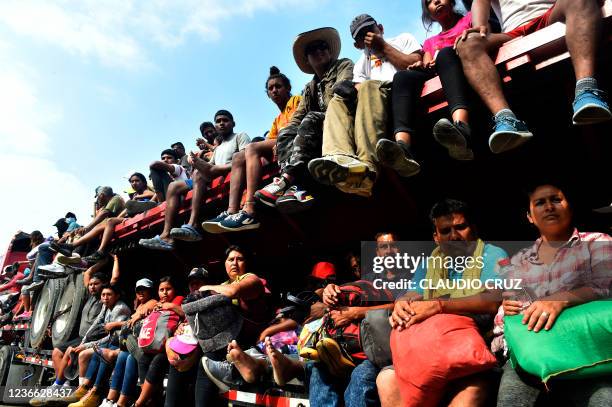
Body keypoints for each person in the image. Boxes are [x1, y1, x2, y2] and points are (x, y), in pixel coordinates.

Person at [379, 199, 508, 406]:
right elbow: (413, 293)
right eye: (446, 231)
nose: (454, 236)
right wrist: (401, 303)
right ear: (436, 237)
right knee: (386, 379)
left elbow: (493, 301)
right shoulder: (429, 263)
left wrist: (439, 305)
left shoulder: (493, 254)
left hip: (474, 350)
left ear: (473, 229)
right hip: (428, 349)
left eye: (461, 227)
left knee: (473, 389)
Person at [496, 183, 612, 406]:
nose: (549, 207)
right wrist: (506, 309)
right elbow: (503, 318)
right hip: (532, 350)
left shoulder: (597, 242)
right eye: (540, 203)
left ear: (569, 206)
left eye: (556, 200)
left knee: (605, 399)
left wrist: (561, 299)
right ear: (530, 217)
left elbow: (606, 286)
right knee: (511, 400)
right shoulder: (518, 261)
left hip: (585, 349)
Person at [455, 0, 611, 153]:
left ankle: (587, 90)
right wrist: (479, 24)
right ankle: (505, 118)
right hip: (511, 32)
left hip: (549, 16)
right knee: (467, 43)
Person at [308, 15, 422, 197]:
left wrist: (383, 47)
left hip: (398, 91)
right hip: (371, 99)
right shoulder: (361, 64)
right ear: (357, 45)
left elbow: (413, 64)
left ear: (381, 28)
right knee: (337, 101)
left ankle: (368, 167)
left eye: (370, 30)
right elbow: (358, 89)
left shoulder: (402, 39)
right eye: (361, 36)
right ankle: (338, 158)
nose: (368, 36)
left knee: (368, 87)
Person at [254, 27, 354, 211]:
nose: (318, 51)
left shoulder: (343, 65)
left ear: (330, 51)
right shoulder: (309, 87)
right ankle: (292, 187)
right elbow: (296, 117)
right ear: (307, 59)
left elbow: (343, 91)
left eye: (322, 47)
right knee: (286, 131)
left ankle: (289, 180)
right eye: (312, 50)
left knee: (311, 118)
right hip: (319, 128)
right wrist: (282, 138)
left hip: (342, 120)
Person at [202, 67, 301, 232]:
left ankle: (250, 208)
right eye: (270, 89)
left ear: (288, 88)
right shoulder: (277, 119)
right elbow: (270, 140)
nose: (274, 91)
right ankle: (232, 210)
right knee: (239, 157)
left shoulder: (296, 100)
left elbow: (296, 126)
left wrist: (277, 143)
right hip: (280, 142)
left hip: (294, 138)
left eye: (278, 86)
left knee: (251, 147)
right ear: (268, 94)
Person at [139, 110, 250, 249]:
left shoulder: (240, 136)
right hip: (213, 174)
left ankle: (193, 225)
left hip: (228, 172)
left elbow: (246, 157)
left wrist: (211, 169)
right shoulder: (219, 148)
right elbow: (210, 167)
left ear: (233, 123)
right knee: (174, 186)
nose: (221, 123)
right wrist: (197, 162)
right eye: (218, 121)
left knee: (198, 174)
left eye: (225, 120)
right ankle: (166, 236)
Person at [392, 0, 476, 161]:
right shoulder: (430, 42)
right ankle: (402, 148)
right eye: (429, 2)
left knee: (445, 54)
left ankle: (461, 127)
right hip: (438, 73)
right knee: (401, 76)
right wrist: (421, 65)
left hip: (464, 65)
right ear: (429, 13)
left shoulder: (469, 19)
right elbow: (427, 62)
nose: (436, 1)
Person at [197, 245, 272, 405]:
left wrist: (204, 289)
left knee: (208, 357)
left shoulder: (252, 280)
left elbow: (232, 292)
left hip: (249, 344)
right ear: (224, 263)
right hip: (225, 344)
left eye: (240, 259)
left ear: (247, 263)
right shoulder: (222, 285)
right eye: (231, 259)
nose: (235, 263)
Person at [30, 272, 105, 406]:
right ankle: (64, 385)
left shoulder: (104, 298)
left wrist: (114, 259)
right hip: (81, 337)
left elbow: (115, 279)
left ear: (103, 285)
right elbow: (86, 275)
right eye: (91, 285)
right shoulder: (89, 297)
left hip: (93, 338)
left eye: (96, 284)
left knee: (70, 352)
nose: (92, 287)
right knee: (57, 351)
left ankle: (59, 385)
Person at [51, 174, 155, 268]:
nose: (134, 183)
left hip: (141, 213)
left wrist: (138, 197)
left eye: (137, 181)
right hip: (129, 216)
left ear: (144, 182)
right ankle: (72, 247)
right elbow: (126, 211)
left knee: (108, 222)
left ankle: (100, 251)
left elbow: (152, 197)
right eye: (132, 181)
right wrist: (119, 217)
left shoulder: (142, 192)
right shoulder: (134, 196)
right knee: (101, 225)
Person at [66, 284, 131, 407]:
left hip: (119, 344)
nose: (105, 297)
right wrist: (85, 343)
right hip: (111, 341)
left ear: (117, 296)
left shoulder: (119, 308)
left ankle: (93, 392)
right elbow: (99, 328)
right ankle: (84, 389)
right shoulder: (106, 307)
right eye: (103, 295)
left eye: (109, 294)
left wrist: (87, 345)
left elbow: (114, 337)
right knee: (90, 352)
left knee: (98, 353)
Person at [98, 279, 157, 407]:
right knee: (122, 356)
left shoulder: (152, 303)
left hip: (145, 346)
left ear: (150, 291)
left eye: (144, 289)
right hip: (131, 343)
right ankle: (110, 399)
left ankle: (121, 402)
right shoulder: (138, 305)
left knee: (128, 357)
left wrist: (138, 315)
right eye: (138, 290)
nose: (140, 292)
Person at [131, 276, 185, 407]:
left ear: (175, 290)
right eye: (161, 290)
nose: (165, 293)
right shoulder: (156, 305)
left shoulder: (180, 300)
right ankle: (150, 400)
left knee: (158, 360)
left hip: (169, 347)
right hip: (154, 344)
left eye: (168, 289)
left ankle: (140, 402)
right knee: (143, 359)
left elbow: (184, 313)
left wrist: (170, 306)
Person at [50, 187, 125, 257]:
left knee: (88, 230)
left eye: (98, 197)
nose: (97, 200)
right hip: (108, 225)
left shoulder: (115, 198)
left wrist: (88, 227)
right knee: (87, 232)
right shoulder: (106, 204)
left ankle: (73, 250)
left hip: (117, 223)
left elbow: (104, 213)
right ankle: (74, 253)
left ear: (101, 195)